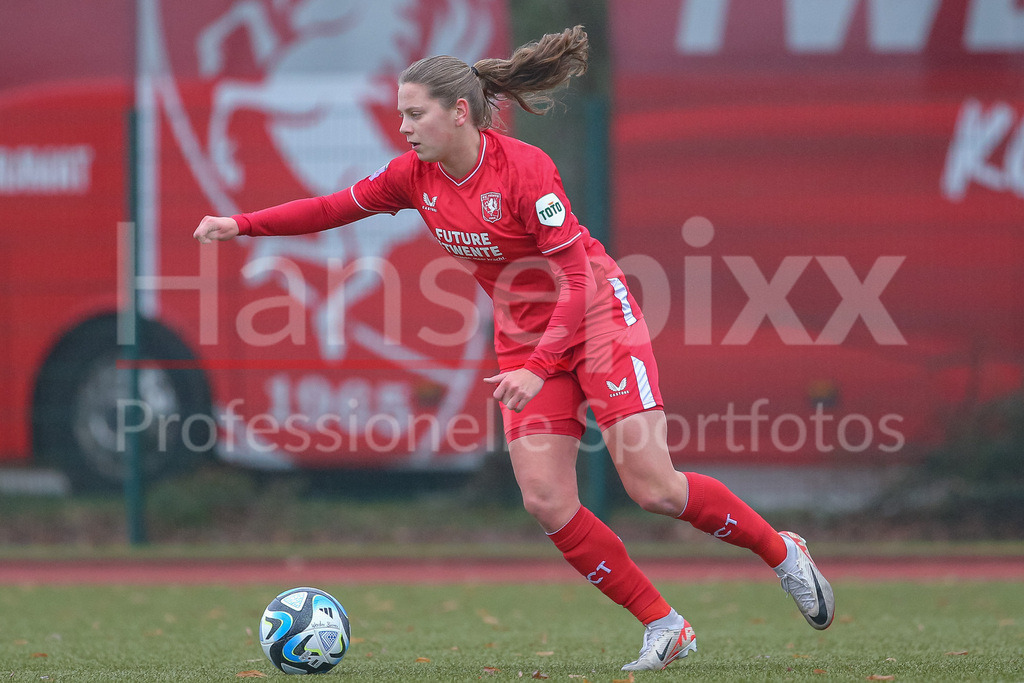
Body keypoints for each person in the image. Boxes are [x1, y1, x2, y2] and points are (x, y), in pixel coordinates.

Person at [194, 25, 834, 672]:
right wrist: (241, 224)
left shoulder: (525, 170)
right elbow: (334, 208)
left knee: (654, 488)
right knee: (547, 500)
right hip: (525, 336)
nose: (405, 128)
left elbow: (578, 279)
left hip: (595, 318)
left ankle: (783, 553)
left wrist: (537, 367)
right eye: (399, 116)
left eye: (415, 114)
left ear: (459, 112)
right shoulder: (413, 177)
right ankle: (666, 624)